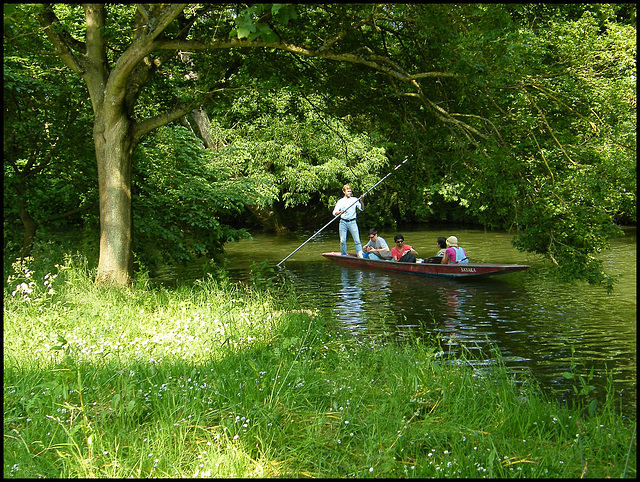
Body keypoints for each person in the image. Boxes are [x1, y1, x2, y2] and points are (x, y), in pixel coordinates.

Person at [332, 184, 364, 258]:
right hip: (343, 222)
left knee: (357, 240)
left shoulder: (354, 199)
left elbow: (362, 209)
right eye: (348, 191)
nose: (349, 193)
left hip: (352, 222)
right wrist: (340, 212)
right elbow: (334, 213)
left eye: (350, 191)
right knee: (343, 241)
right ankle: (343, 255)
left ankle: (360, 255)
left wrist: (361, 201)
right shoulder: (341, 201)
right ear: (344, 192)